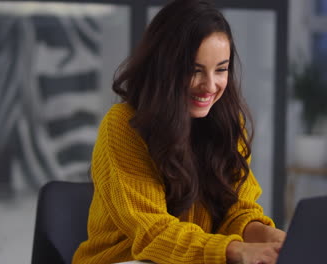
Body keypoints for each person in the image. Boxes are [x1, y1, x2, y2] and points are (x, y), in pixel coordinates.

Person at [73, 0, 286, 263]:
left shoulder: (228, 124)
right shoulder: (123, 125)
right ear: (164, 68)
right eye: (194, 71)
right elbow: (153, 233)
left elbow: (236, 211)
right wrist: (234, 249)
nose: (210, 86)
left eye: (221, 69)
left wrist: (270, 237)